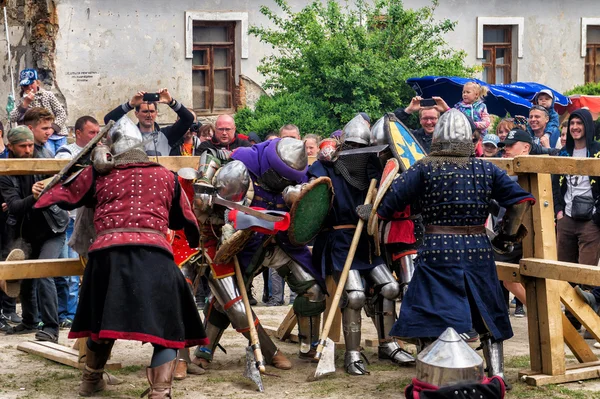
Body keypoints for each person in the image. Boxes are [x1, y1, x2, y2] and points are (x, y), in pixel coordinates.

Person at [34, 116, 206, 398]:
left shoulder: (97, 174)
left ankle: (91, 381)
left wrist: (82, 167)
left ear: (112, 147)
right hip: (155, 257)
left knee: (101, 323)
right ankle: (160, 392)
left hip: (107, 258)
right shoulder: (166, 176)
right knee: (167, 323)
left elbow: (56, 198)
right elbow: (182, 221)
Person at [373, 109, 535, 386]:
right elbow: (521, 200)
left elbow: (388, 207)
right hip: (477, 249)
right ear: (470, 138)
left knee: (429, 311)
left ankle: (432, 375)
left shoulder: (424, 167)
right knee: (487, 312)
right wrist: (505, 238)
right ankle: (496, 374)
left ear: (436, 138)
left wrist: (374, 209)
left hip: (437, 249)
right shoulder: (486, 168)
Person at [310, 115, 415, 375]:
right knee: (355, 295)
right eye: (353, 148)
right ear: (344, 146)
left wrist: (375, 209)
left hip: (366, 241)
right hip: (339, 243)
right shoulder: (328, 167)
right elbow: (311, 194)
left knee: (390, 287)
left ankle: (388, 343)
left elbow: (390, 192)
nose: (357, 153)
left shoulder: (374, 169)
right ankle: (353, 353)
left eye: (362, 149)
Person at [229, 138, 327, 361]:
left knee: (314, 289)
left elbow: (308, 213)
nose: (283, 181)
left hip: (283, 242)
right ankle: (205, 352)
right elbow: (222, 205)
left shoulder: (302, 178)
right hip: (246, 242)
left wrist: (300, 197)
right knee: (231, 296)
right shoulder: (244, 161)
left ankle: (308, 346)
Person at [0, 126, 66, 343]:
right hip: (25, 231)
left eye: (30, 145)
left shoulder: (45, 158)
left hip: (52, 228)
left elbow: (63, 190)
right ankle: (29, 321)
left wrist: (44, 192)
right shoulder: (5, 169)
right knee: (26, 274)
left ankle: (50, 327)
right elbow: (15, 206)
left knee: (44, 271)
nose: (28, 150)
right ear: (10, 147)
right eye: (23, 146)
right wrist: (35, 196)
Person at [552, 109, 600, 326]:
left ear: (587, 126)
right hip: (567, 219)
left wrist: (598, 216)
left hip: (591, 221)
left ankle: (591, 322)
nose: (575, 127)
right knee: (565, 271)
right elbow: (555, 185)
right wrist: (559, 212)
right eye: (572, 123)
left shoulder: (598, 152)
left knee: (586, 274)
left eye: (579, 123)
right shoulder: (563, 153)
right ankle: (572, 320)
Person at [53, 115, 102, 329]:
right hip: (70, 218)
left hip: (91, 219)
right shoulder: (66, 152)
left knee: (88, 270)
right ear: (78, 133)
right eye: (92, 133)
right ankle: (68, 314)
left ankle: (79, 313)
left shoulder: (100, 153)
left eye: (98, 132)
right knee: (69, 273)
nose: (96, 137)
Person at [104, 89, 194, 156]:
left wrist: (171, 102)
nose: (149, 115)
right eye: (145, 112)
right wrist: (130, 104)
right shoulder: (128, 134)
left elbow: (188, 119)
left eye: (152, 111)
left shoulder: (167, 134)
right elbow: (108, 120)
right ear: (136, 114)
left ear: (156, 113)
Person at [10, 69, 68, 154]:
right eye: (26, 86)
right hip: (41, 138)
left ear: (37, 82)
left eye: (31, 84)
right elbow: (12, 117)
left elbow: (61, 113)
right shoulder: (22, 100)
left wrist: (52, 129)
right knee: (49, 157)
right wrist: (25, 103)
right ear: (22, 87)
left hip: (58, 134)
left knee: (64, 157)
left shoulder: (48, 95)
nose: (29, 88)